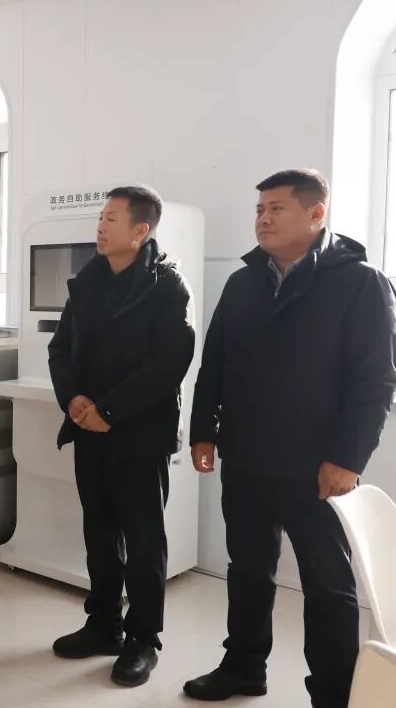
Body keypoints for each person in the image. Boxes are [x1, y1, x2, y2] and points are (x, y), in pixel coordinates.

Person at [184, 169, 396, 708]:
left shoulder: (360, 282)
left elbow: (375, 382)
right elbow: (215, 362)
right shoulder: (243, 283)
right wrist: (203, 431)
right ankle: (243, 668)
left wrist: (348, 459)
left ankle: (334, 694)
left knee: (327, 584)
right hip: (247, 457)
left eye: (276, 208)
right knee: (247, 570)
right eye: (259, 209)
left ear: (316, 213)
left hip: (318, 466)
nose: (263, 219)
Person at [47, 185, 196, 687]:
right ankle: (103, 624)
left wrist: (109, 410)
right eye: (100, 217)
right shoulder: (88, 282)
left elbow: (169, 363)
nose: (100, 226)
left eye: (111, 218)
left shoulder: (167, 287)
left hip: (140, 434)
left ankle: (142, 639)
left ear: (140, 230)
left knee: (144, 539)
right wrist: (73, 399)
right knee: (99, 531)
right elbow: (61, 349)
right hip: (89, 431)